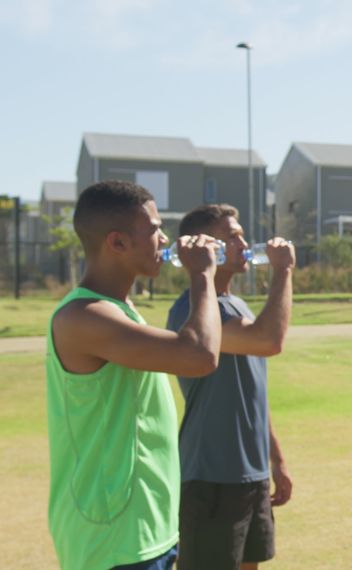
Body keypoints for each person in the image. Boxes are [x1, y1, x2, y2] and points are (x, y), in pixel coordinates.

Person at [46, 180, 222, 569]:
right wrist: (203, 276)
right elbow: (199, 355)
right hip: (112, 538)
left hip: (145, 528)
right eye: (155, 229)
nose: (165, 239)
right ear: (117, 243)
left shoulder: (120, 309)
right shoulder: (85, 317)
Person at [165, 204, 295, 570]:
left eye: (241, 234)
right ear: (207, 247)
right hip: (211, 473)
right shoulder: (195, 309)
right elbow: (270, 340)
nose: (243, 242)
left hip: (249, 473)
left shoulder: (235, 304)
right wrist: (284, 270)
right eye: (232, 236)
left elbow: (253, 391)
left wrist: (276, 459)